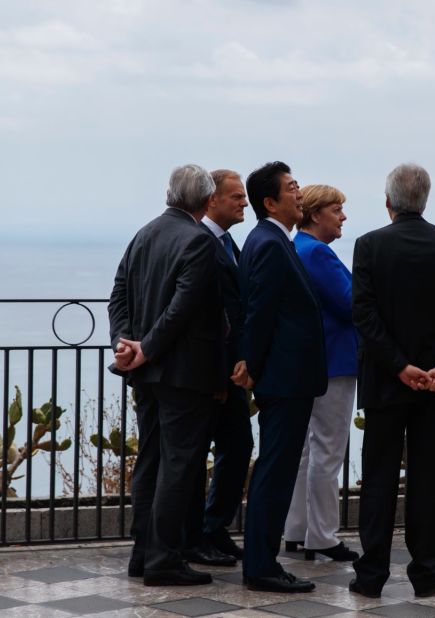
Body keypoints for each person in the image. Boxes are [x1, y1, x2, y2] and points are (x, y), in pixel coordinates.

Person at [349, 163, 435, 598]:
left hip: (387, 384)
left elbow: (364, 314)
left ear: (388, 203)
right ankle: (426, 574)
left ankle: (371, 575)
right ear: (425, 200)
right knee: (430, 481)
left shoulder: (369, 246)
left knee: (380, 478)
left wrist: (398, 366)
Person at [107, 164, 225, 585]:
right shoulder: (197, 241)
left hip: (146, 372)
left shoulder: (145, 233)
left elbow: (118, 292)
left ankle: (143, 555)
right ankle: (163, 560)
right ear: (208, 201)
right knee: (178, 467)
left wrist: (126, 343)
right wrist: (148, 347)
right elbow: (184, 305)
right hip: (183, 372)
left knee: (150, 462)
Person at [232, 161, 327, 593]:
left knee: (277, 468)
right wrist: (249, 362)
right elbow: (260, 310)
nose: (299, 192)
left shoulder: (271, 239)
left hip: (287, 376)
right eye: (291, 188)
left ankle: (262, 561)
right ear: (270, 201)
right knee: (275, 471)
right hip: (285, 379)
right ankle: (261, 566)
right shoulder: (269, 242)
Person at [283, 184, 360, 562]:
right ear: (316, 215)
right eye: (336, 210)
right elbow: (350, 305)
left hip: (311, 363)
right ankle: (324, 535)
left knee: (305, 451)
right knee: (328, 449)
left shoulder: (297, 248)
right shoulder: (319, 254)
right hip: (336, 362)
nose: (343, 216)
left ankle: (297, 528)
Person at [183, 169, 254, 566]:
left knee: (238, 446)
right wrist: (219, 373)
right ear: (212, 200)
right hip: (212, 372)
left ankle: (213, 527)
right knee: (196, 456)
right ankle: (195, 536)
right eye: (236, 197)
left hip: (231, 371)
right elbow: (211, 316)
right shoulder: (201, 243)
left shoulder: (227, 242)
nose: (244, 203)